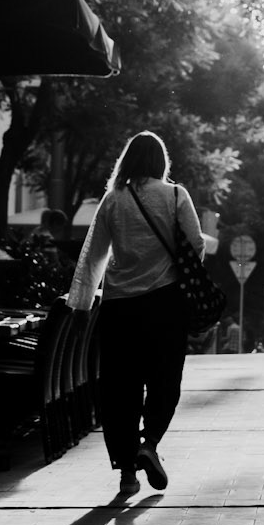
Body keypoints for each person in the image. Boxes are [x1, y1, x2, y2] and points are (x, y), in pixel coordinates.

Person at [69, 129, 209, 500]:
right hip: (165, 306)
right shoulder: (176, 195)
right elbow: (195, 244)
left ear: (127, 161)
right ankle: (151, 443)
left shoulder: (113, 200)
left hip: (119, 308)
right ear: (161, 162)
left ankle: (127, 474)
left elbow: (93, 254)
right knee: (165, 382)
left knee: (120, 390)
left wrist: (81, 304)